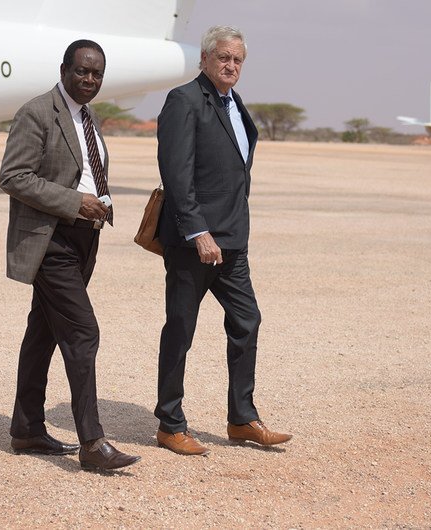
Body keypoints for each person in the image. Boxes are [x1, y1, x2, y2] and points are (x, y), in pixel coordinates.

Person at [0, 39, 139, 472]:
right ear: (64, 69)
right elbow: (13, 176)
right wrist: (76, 201)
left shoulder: (89, 117)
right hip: (50, 240)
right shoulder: (37, 112)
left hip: (82, 241)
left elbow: (86, 169)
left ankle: (26, 428)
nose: (90, 80)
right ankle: (92, 443)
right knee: (82, 332)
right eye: (82, 71)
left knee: (42, 332)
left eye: (97, 74)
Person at [153, 25, 292, 456]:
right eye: (223, 57)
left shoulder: (236, 105)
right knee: (181, 329)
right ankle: (170, 424)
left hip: (232, 243)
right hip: (194, 243)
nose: (231, 65)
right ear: (205, 60)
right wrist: (198, 231)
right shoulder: (184, 101)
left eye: (238, 60)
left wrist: (232, 231)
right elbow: (176, 174)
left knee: (247, 322)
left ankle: (242, 419)